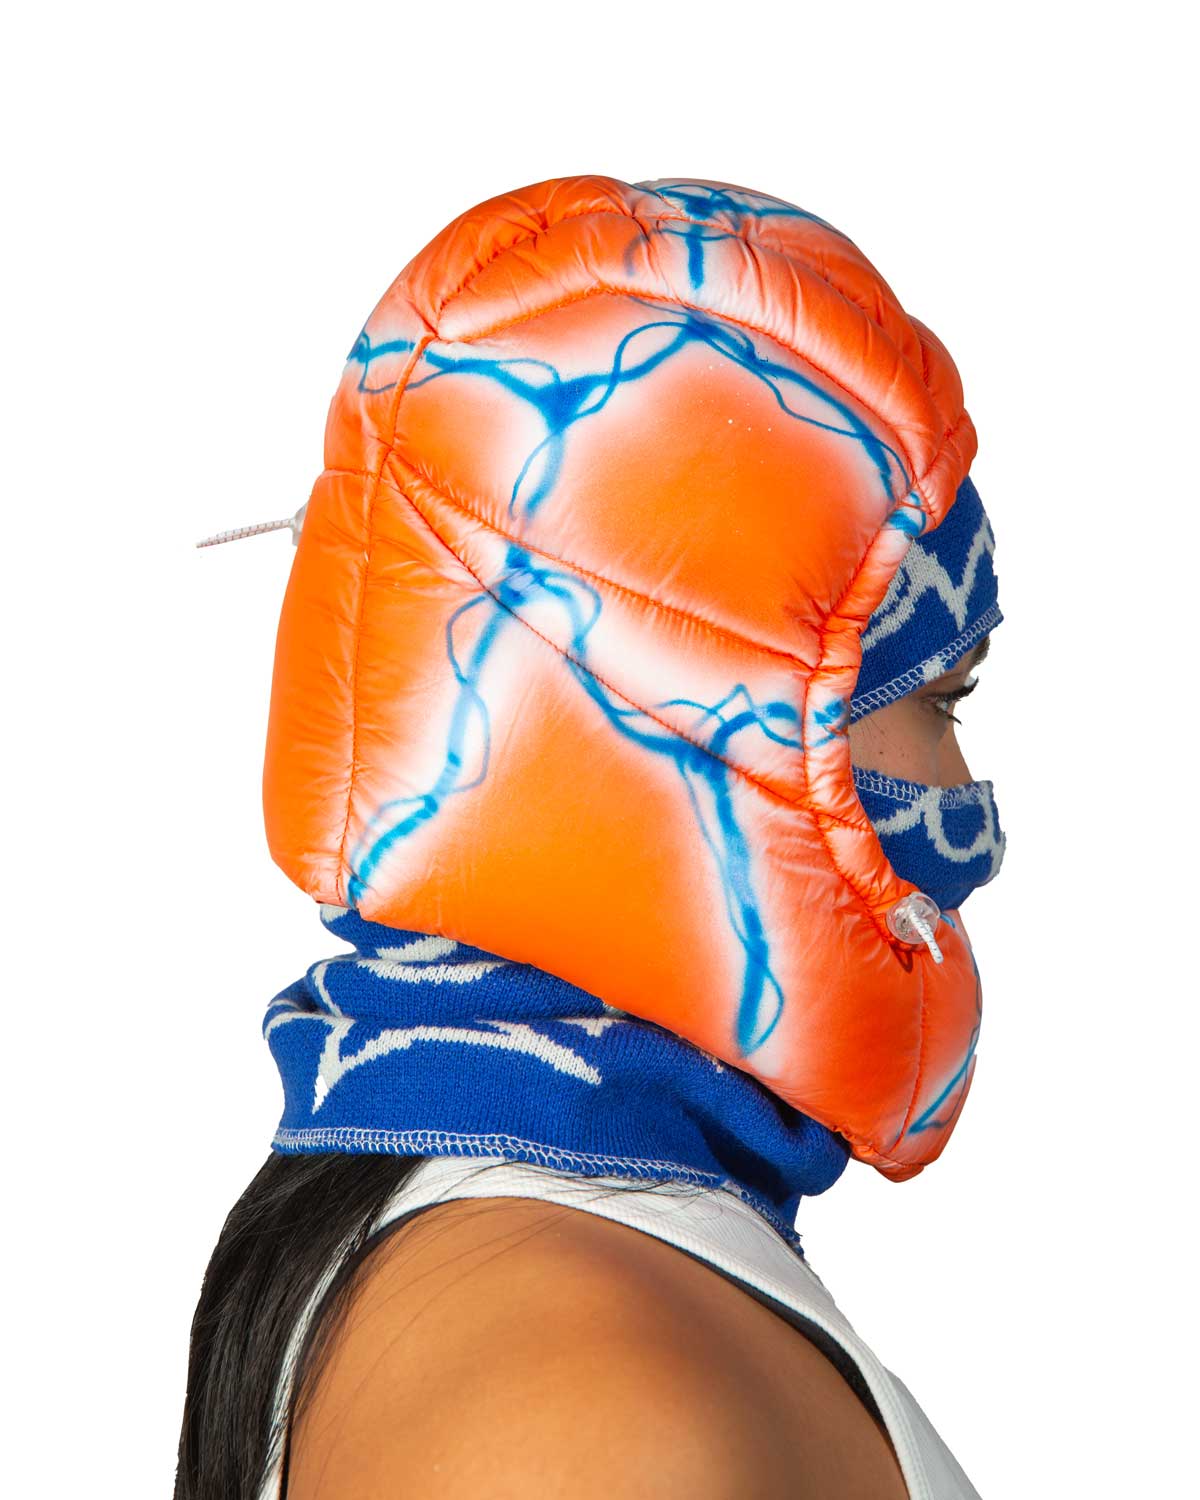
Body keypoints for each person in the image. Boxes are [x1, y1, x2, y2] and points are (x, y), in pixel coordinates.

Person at [175, 174, 1005, 1500]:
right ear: (681, 728)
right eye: (943, 700)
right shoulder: (582, 1392)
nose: (977, 813)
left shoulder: (542, 1273)